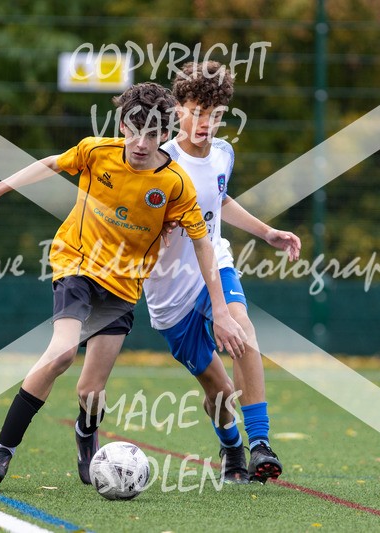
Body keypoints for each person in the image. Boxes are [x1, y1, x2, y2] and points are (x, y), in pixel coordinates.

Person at [0, 82, 247, 484]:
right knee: (60, 356)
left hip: (123, 287)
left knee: (90, 391)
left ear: (166, 135)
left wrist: (219, 310)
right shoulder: (96, 150)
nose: (140, 142)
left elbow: (203, 245)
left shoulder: (175, 183)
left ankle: (85, 433)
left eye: (152, 134)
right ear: (122, 125)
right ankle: (3, 450)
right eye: (133, 129)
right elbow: (51, 164)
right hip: (76, 264)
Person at [143, 62, 301, 484]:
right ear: (178, 110)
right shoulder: (159, 162)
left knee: (242, 330)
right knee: (216, 388)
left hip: (216, 263)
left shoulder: (224, 154)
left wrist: (267, 232)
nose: (205, 123)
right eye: (197, 111)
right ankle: (231, 446)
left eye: (214, 114)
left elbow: (220, 200)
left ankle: (261, 443)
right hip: (168, 290)